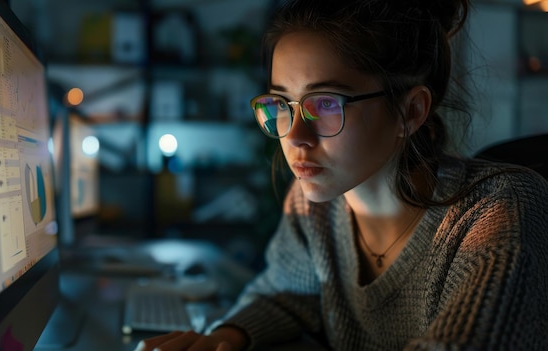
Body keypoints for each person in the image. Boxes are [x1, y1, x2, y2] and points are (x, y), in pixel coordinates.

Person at [136, 0, 548, 350]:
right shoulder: (310, 204)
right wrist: (222, 338)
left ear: (411, 111)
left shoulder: (498, 209)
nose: (295, 136)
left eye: (326, 104)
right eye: (282, 104)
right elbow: (287, 295)